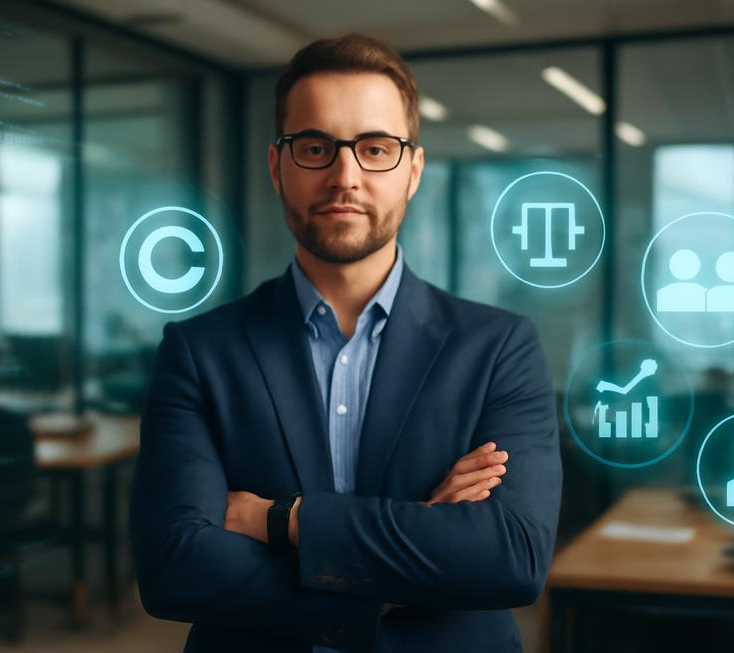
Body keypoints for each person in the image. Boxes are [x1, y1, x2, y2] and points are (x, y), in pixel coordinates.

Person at [130, 33, 562, 653]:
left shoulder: (499, 348)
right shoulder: (201, 351)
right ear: (277, 166)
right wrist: (402, 573)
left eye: (375, 148)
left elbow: (510, 557)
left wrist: (281, 520)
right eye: (315, 147)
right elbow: (173, 568)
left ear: (413, 170)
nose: (345, 176)